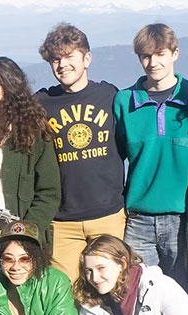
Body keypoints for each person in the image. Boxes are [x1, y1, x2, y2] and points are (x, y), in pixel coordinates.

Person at [36, 23, 126, 284]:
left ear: (87, 59)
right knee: (64, 291)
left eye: (69, 56)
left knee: (111, 287)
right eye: (55, 59)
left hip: (108, 215)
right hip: (63, 221)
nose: (62, 64)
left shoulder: (110, 96)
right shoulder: (41, 104)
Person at [113, 23, 188, 285]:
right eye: (146, 56)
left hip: (183, 218)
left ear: (175, 54)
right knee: (138, 294)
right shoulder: (124, 101)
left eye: (160, 54)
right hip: (138, 220)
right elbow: (115, 158)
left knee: (185, 294)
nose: (152, 63)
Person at [0, 56, 61, 269]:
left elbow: (49, 193)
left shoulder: (33, 131)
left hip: (16, 233)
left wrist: (23, 233)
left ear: (11, 83)